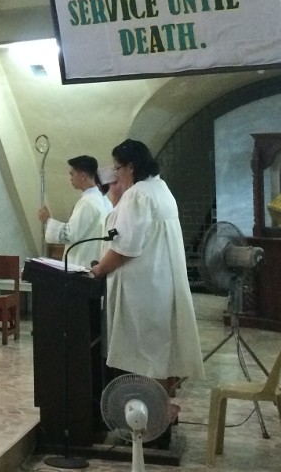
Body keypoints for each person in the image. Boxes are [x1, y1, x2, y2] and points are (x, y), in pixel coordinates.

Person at [89, 139, 204, 394]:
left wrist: (98, 269)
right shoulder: (160, 188)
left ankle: (150, 419)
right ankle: (161, 410)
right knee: (158, 354)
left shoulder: (138, 194)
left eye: (118, 168)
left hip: (143, 290)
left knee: (145, 357)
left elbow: (124, 248)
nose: (116, 174)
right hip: (159, 283)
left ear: (130, 167)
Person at [37, 155, 111, 268]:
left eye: (72, 174)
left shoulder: (87, 202)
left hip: (81, 263)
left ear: (82, 176)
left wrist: (48, 220)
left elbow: (70, 234)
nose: (70, 178)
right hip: (92, 260)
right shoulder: (102, 200)